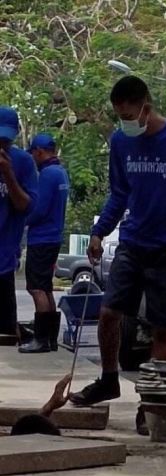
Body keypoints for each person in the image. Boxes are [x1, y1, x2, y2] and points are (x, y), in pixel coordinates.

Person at [69, 77, 166, 433]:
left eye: (130, 115)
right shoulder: (121, 142)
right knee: (108, 314)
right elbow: (119, 194)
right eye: (120, 116)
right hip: (133, 242)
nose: (125, 122)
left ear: (146, 108)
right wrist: (99, 231)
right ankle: (108, 379)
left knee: (161, 329)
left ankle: (150, 402)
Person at [19, 134, 70, 354]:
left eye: (33, 153)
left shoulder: (47, 175)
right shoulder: (61, 173)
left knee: (36, 288)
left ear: (39, 151)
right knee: (46, 287)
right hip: (54, 236)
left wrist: (21, 220)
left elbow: (39, 209)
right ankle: (50, 339)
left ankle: (41, 339)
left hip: (42, 238)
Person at [0, 107, 38, 338]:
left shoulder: (23, 162)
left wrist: (8, 173)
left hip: (3, 262)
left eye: (6, 140)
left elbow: (27, 206)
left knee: (4, 336)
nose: (2, 144)